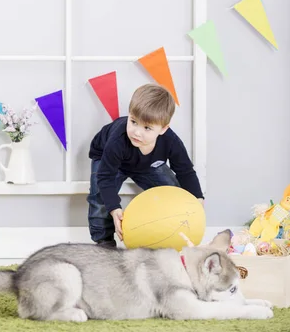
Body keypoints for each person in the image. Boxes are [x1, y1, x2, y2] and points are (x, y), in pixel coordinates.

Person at [87, 83, 204, 248]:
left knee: (173, 190)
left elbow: (185, 171)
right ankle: (103, 240)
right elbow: (105, 177)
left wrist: (197, 198)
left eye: (147, 128)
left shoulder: (170, 140)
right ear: (129, 115)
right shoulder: (117, 140)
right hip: (109, 160)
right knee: (99, 197)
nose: (137, 132)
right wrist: (114, 208)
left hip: (146, 164)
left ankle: (166, 231)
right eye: (133, 121)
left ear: (163, 129)